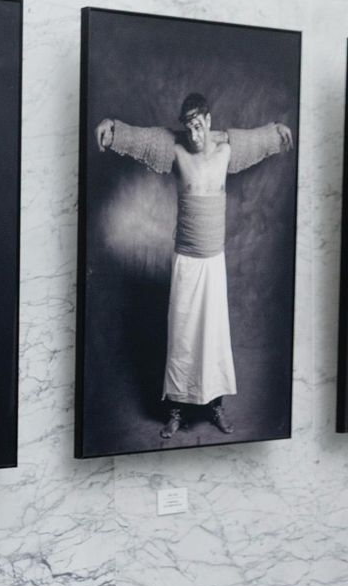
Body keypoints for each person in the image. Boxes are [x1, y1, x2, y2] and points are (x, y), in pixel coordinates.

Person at [95, 93, 294, 437]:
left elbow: (255, 139)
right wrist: (112, 129)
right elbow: (142, 139)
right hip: (186, 259)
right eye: (188, 127)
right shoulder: (175, 150)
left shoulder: (227, 149)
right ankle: (175, 410)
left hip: (213, 260)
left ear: (209, 120)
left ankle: (215, 406)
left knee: (213, 336)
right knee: (182, 336)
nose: (195, 134)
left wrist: (276, 131)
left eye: (199, 125)